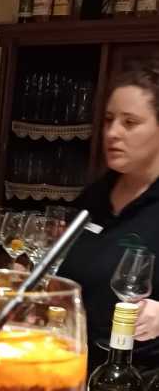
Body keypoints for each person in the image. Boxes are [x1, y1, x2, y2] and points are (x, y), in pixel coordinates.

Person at [61, 62, 159, 372]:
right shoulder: (96, 195)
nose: (112, 133)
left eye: (130, 122)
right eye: (108, 120)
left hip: (141, 379)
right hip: (76, 362)